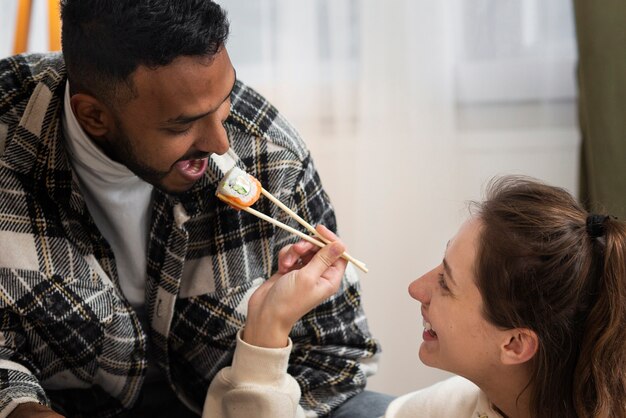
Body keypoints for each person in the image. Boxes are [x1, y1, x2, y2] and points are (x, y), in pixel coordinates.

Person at [0, 1, 387, 417]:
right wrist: (19, 408)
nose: (221, 143)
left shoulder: (267, 150)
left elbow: (335, 356)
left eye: (225, 99)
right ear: (94, 116)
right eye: (182, 125)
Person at [208, 175, 626, 418]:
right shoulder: (466, 403)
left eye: (446, 283)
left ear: (515, 344)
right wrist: (269, 327)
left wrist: (266, 333)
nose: (416, 289)